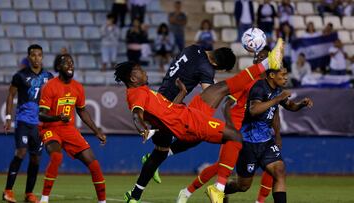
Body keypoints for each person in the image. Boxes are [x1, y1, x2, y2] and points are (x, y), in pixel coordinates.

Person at [119, 39, 285, 203]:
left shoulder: (144, 90)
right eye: (140, 70)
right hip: (187, 122)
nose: (144, 71)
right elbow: (136, 114)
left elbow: (167, 107)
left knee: (222, 90)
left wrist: (182, 93)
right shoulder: (137, 93)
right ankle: (218, 189)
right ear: (133, 79)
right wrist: (142, 129)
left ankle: (134, 196)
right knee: (234, 135)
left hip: (182, 112)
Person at [175, 46, 271, 203]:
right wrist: (231, 127)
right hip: (237, 129)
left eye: (264, 57)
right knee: (222, 166)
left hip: (253, 134)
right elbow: (228, 103)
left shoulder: (270, 84)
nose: (259, 59)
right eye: (258, 57)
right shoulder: (249, 82)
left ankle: (211, 191)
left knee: (255, 173)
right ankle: (188, 192)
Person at [224, 68, 313, 203]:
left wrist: (301, 104)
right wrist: (277, 99)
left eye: (286, 75)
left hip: (266, 142)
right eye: (283, 75)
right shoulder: (259, 88)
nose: (286, 78)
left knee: (279, 171)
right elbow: (253, 110)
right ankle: (221, 189)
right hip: (248, 143)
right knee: (243, 186)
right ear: (272, 75)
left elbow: (290, 106)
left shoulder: (277, 89)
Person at [38, 54, 107, 203]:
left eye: (72, 63)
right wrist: (58, 118)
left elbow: (82, 111)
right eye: (66, 63)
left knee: (94, 163)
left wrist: (97, 131)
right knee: (56, 157)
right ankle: (44, 199)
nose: (70, 65)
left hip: (69, 129)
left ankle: (103, 201)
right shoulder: (49, 86)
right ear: (58, 67)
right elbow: (41, 115)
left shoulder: (78, 87)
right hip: (50, 128)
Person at [3, 44, 53, 203]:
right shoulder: (20, 76)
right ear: (29, 57)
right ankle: (8, 191)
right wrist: (8, 117)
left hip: (40, 124)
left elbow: (53, 98)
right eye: (33, 55)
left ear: (42, 57)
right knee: (21, 153)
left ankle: (29, 194)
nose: (36, 58)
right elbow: (11, 95)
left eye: (39, 55)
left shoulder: (49, 77)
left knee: (35, 159)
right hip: (24, 121)